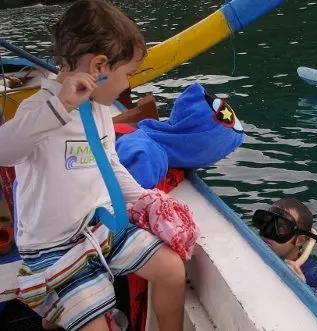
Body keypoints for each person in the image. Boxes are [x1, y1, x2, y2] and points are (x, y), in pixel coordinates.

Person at [0, 1, 189, 330]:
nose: (127, 86)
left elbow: (109, 162)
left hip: (98, 228)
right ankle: (58, 307)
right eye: (127, 74)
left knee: (172, 270)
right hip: (51, 248)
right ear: (100, 66)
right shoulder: (39, 110)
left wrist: (146, 197)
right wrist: (58, 108)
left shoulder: (100, 109)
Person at [252, 198, 317, 307]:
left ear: (300, 240)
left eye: (281, 227)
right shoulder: (252, 248)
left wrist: (301, 289)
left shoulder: (316, 272)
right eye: (267, 222)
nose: (267, 231)